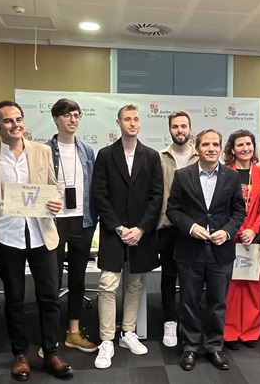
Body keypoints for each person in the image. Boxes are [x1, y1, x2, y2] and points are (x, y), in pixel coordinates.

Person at [0, 101, 72, 380]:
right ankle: (20, 354)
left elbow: (54, 186)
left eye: (19, 119)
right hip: (7, 236)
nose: (16, 124)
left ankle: (51, 353)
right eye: (8, 121)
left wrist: (55, 201)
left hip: (42, 234)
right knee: (15, 299)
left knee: (49, 297)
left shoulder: (42, 151)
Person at [166, 129, 246, 371]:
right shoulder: (182, 175)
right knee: (189, 301)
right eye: (206, 144)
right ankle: (190, 347)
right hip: (190, 250)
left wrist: (228, 231)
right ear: (197, 147)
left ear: (221, 148)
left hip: (221, 251)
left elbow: (238, 211)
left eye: (215, 145)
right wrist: (191, 227)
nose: (211, 148)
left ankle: (214, 346)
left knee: (217, 303)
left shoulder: (232, 177)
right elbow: (173, 210)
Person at [92, 104, 163, 369]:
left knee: (135, 284)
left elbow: (157, 196)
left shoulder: (151, 156)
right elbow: (99, 194)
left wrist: (141, 229)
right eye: (127, 119)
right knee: (107, 284)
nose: (132, 123)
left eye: (136, 119)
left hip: (141, 233)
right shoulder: (105, 155)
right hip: (114, 232)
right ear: (118, 123)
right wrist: (118, 228)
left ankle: (128, 332)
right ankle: (106, 339)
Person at [46, 99, 98, 353]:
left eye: (77, 115)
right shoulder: (44, 150)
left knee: (78, 278)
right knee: (51, 280)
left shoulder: (87, 150)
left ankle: (73, 332)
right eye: (67, 115)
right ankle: (50, 337)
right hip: (54, 222)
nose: (73, 120)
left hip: (82, 220)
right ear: (56, 119)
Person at [222, 129, 260, 349]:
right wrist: (239, 229)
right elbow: (222, 206)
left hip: (255, 238)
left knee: (254, 285)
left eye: (248, 144)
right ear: (232, 149)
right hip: (232, 236)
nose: (245, 148)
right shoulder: (225, 173)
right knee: (232, 287)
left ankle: (250, 330)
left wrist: (253, 230)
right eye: (240, 145)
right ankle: (230, 331)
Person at [157, 111, 199, 347]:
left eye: (184, 126)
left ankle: (189, 321)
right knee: (168, 275)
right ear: (170, 129)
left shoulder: (201, 156)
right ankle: (169, 321)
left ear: (190, 129)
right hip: (168, 226)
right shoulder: (159, 157)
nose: (180, 130)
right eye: (175, 126)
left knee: (191, 278)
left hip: (195, 228)